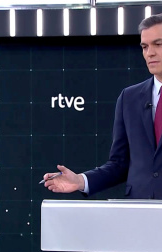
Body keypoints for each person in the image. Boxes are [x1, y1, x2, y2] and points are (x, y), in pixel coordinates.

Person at [43, 13, 162, 199]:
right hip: (141, 213)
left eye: (158, 44)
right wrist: (81, 181)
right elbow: (119, 164)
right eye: (145, 47)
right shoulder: (129, 98)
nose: (150, 53)